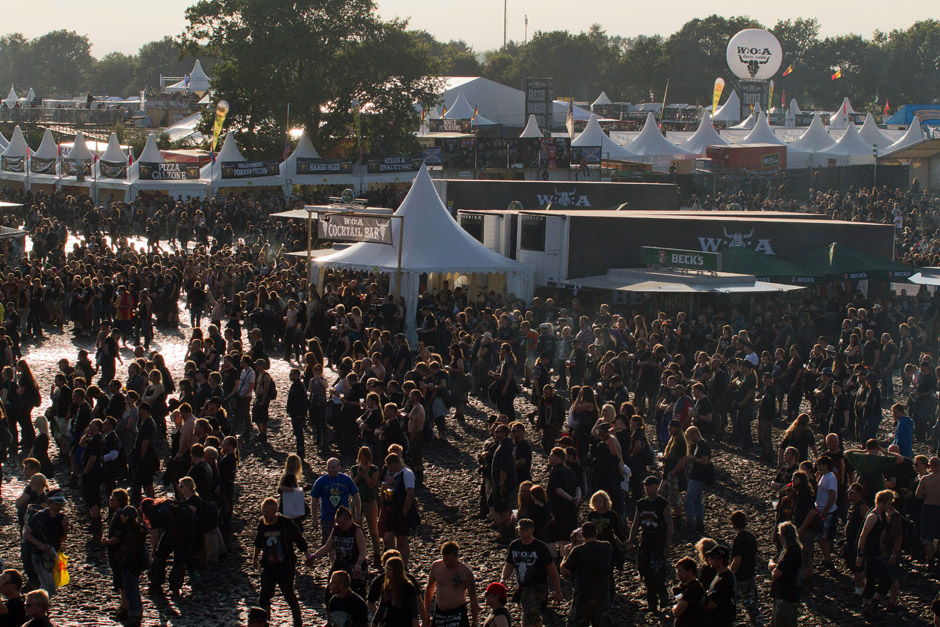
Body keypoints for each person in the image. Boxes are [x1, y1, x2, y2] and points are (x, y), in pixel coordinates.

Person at [252, 497, 313, 627]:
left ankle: (298, 622)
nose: (265, 515)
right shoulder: (262, 524)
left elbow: (299, 540)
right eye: (263, 512)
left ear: (275, 510)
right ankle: (264, 622)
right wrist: (255, 558)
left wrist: (308, 555)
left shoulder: (286, 523)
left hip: (285, 567)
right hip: (268, 566)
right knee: (264, 596)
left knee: (289, 594)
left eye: (267, 512)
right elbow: (258, 543)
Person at [501, 518, 562, 627]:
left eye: (524, 529)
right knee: (534, 617)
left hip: (538, 587)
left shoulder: (540, 547)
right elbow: (509, 565)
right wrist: (504, 579)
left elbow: (552, 570)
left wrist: (557, 590)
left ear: (532, 530)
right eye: (520, 529)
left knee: (528, 615)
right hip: (523, 586)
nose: (522, 531)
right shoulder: (514, 545)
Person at [627, 476, 673, 614]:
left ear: (656, 486)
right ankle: (652, 605)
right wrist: (630, 540)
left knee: (656, 574)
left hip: (658, 543)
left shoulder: (663, 504)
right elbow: (636, 523)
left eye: (650, 485)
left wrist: (667, 546)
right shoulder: (641, 503)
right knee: (645, 574)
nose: (647, 488)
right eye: (646, 485)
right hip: (645, 542)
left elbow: (670, 526)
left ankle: (663, 593)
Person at [560, 521, 612, 627]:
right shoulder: (606, 547)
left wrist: (565, 555)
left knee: (577, 622)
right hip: (602, 594)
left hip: (583, 595)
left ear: (582, 535)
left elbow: (564, 570)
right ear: (596, 533)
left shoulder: (578, 550)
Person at [856, 490, 898, 620]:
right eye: (889, 503)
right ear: (882, 503)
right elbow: (863, 535)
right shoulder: (873, 516)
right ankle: (867, 606)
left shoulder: (882, 515)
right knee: (873, 580)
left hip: (876, 553)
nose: (890, 506)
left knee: (881, 579)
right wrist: (860, 554)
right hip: (869, 554)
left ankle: (872, 603)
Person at [424, 541, 480, 627]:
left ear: (457, 556)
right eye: (445, 560)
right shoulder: (436, 566)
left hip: (458, 613)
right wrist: (426, 611)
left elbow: (473, 597)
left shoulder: (466, 572)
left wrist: (475, 621)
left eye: (450, 560)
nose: (447, 563)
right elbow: (430, 589)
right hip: (440, 614)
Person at [22, 491, 69, 595]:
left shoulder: (61, 518)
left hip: (51, 554)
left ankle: (41, 602)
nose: (59, 506)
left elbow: (61, 540)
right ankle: (43, 603)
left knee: (46, 582)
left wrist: (65, 529)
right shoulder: (39, 517)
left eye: (60, 504)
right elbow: (26, 535)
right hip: (37, 553)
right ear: (50, 502)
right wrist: (40, 544)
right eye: (57, 503)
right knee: (49, 583)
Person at [312, 458, 361, 545]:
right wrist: (314, 519)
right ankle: (332, 559)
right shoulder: (321, 481)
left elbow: (356, 495)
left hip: (344, 517)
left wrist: (357, 513)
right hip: (327, 517)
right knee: (328, 542)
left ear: (338, 468)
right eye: (329, 468)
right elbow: (314, 500)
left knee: (345, 540)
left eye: (333, 468)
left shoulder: (346, 479)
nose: (330, 470)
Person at [769, 521, 802, 627]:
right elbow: (772, 561)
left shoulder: (791, 552)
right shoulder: (788, 550)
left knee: (783, 621)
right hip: (786, 594)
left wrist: (774, 567)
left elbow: (777, 573)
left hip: (786, 595)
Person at [371, 556, 420, 627]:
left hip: (405, 623)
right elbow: (381, 608)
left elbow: (414, 612)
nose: (387, 572)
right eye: (386, 569)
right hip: (390, 623)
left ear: (397, 571)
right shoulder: (386, 586)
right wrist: (374, 623)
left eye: (389, 570)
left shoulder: (408, 587)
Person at [490, 423, 517, 540]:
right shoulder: (504, 445)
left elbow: (504, 467)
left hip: (504, 483)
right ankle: (504, 529)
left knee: (503, 507)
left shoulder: (505, 447)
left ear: (505, 433)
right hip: (501, 482)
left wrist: (501, 483)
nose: (496, 434)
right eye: (495, 432)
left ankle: (507, 532)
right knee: (493, 504)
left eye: (499, 432)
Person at [684, 426, 712, 535]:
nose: (689, 439)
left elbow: (705, 461)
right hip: (696, 476)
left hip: (699, 476)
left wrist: (693, 459)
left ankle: (690, 523)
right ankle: (699, 523)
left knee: (688, 500)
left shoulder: (704, 446)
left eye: (690, 436)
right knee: (697, 501)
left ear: (695, 434)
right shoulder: (698, 445)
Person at [815, 456, 839, 569]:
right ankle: (826, 558)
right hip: (821, 510)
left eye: (820, 464)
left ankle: (828, 560)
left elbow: (832, 495)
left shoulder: (830, 477)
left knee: (823, 537)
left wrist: (825, 510)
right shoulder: (824, 477)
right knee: (820, 537)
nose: (818, 466)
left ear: (826, 465)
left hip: (827, 511)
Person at [704, 545, 736, 627]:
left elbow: (711, 605)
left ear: (720, 560)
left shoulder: (724, 580)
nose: (709, 560)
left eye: (711, 557)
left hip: (720, 621)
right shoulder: (723, 574)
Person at [916, 456, 940, 561]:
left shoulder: (925, 479)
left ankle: (929, 561)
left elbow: (918, 495)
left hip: (928, 508)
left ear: (929, 466)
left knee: (927, 538)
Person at [672, 557, 706, 627]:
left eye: (680, 571)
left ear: (690, 571)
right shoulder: (692, 586)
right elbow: (681, 602)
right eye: (677, 571)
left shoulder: (693, 588)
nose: (678, 574)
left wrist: (674, 608)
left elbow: (678, 612)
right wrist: (678, 595)